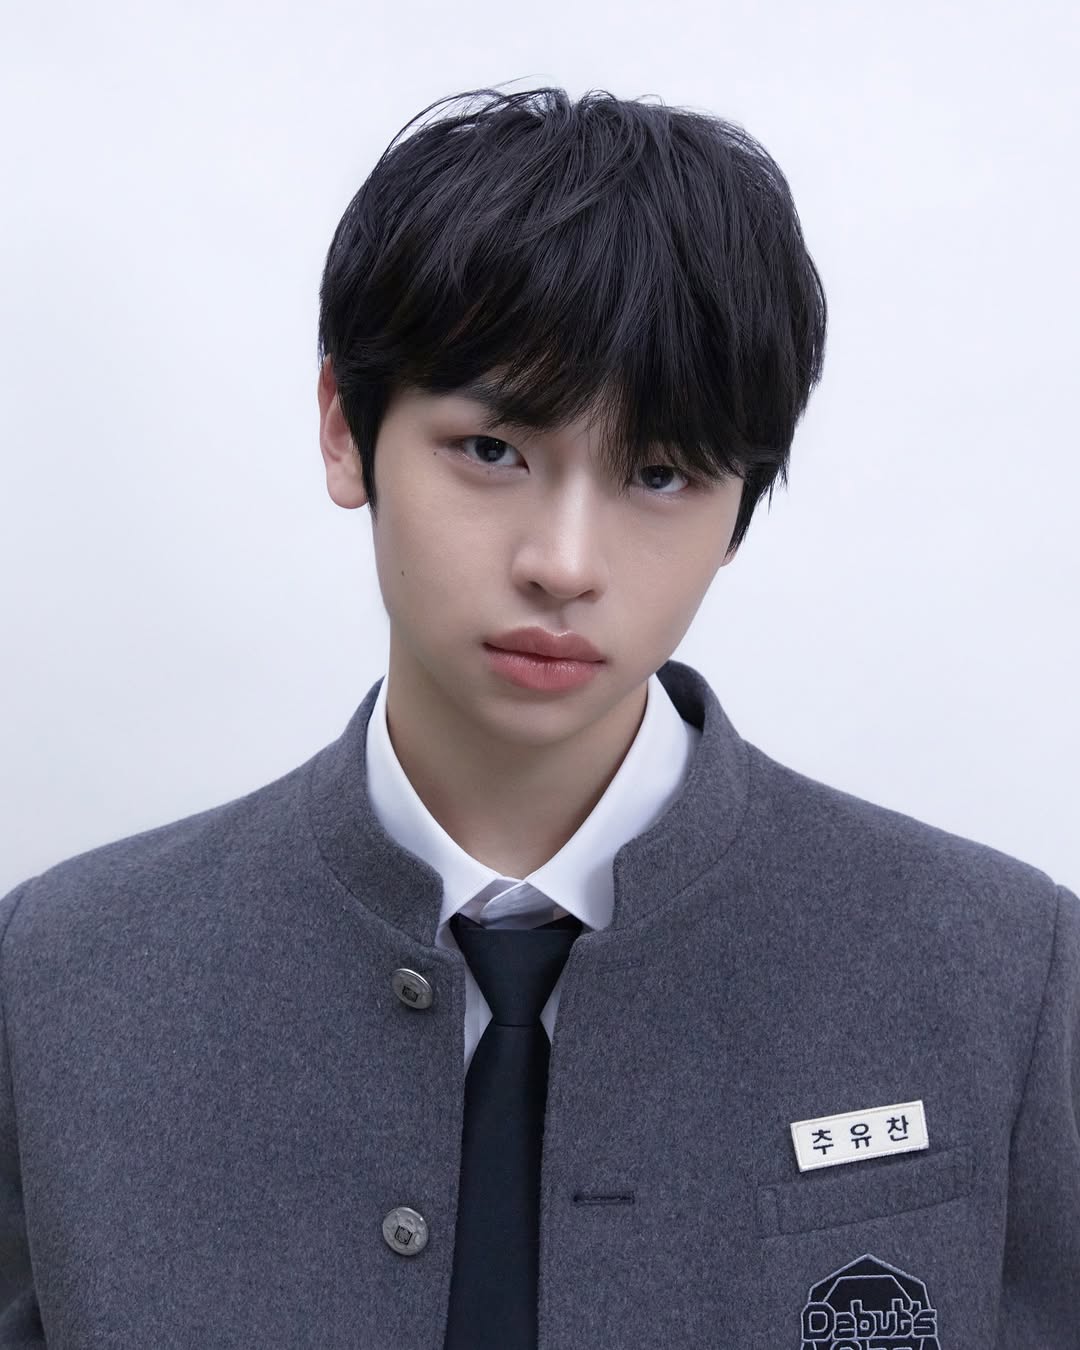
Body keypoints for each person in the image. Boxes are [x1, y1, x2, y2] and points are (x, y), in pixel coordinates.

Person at [1, 83, 1076, 1349]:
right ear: (347, 431)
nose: (564, 564)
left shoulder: (1009, 971)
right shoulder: (59, 976)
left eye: (660, 474)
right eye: (493, 450)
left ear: (740, 507)